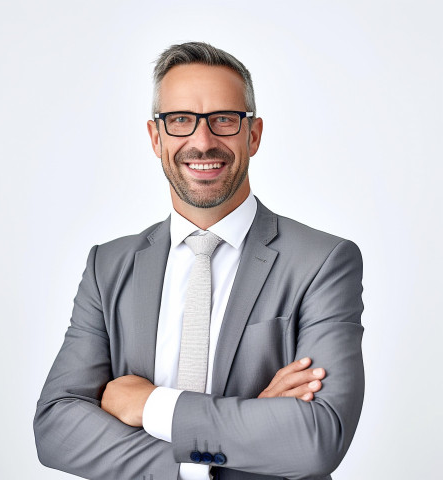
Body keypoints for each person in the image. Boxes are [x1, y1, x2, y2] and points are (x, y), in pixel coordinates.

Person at [34, 42, 364, 480]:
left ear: (254, 134)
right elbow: (56, 428)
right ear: (156, 137)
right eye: (180, 120)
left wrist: (150, 405)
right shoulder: (107, 267)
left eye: (224, 120)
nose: (202, 142)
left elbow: (318, 439)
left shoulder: (322, 262)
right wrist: (214, 452)